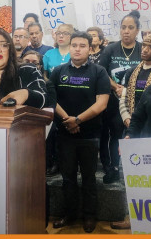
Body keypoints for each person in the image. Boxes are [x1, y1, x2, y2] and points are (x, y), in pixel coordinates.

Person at [50, 31, 110, 233]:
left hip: (90, 135)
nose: (77, 49)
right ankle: (69, 214)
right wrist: (68, 120)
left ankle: (90, 216)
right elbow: (51, 99)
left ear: (90, 49)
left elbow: (101, 104)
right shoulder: (58, 71)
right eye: (74, 45)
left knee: (89, 178)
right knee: (67, 179)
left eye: (82, 45)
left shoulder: (99, 72)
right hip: (64, 134)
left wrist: (77, 120)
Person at [99, 10, 143, 185]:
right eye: (123, 27)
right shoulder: (111, 49)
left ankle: (136, 169)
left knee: (134, 134)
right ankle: (113, 168)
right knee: (115, 133)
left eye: (130, 28)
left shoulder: (142, 49)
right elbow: (102, 71)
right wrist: (116, 87)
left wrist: (127, 90)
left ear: (137, 30)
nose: (126, 31)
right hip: (112, 100)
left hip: (136, 100)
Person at [119, 33, 151, 128]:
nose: (145, 50)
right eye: (144, 45)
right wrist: (126, 118)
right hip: (132, 124)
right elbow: (124, 97)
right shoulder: (132, 71)